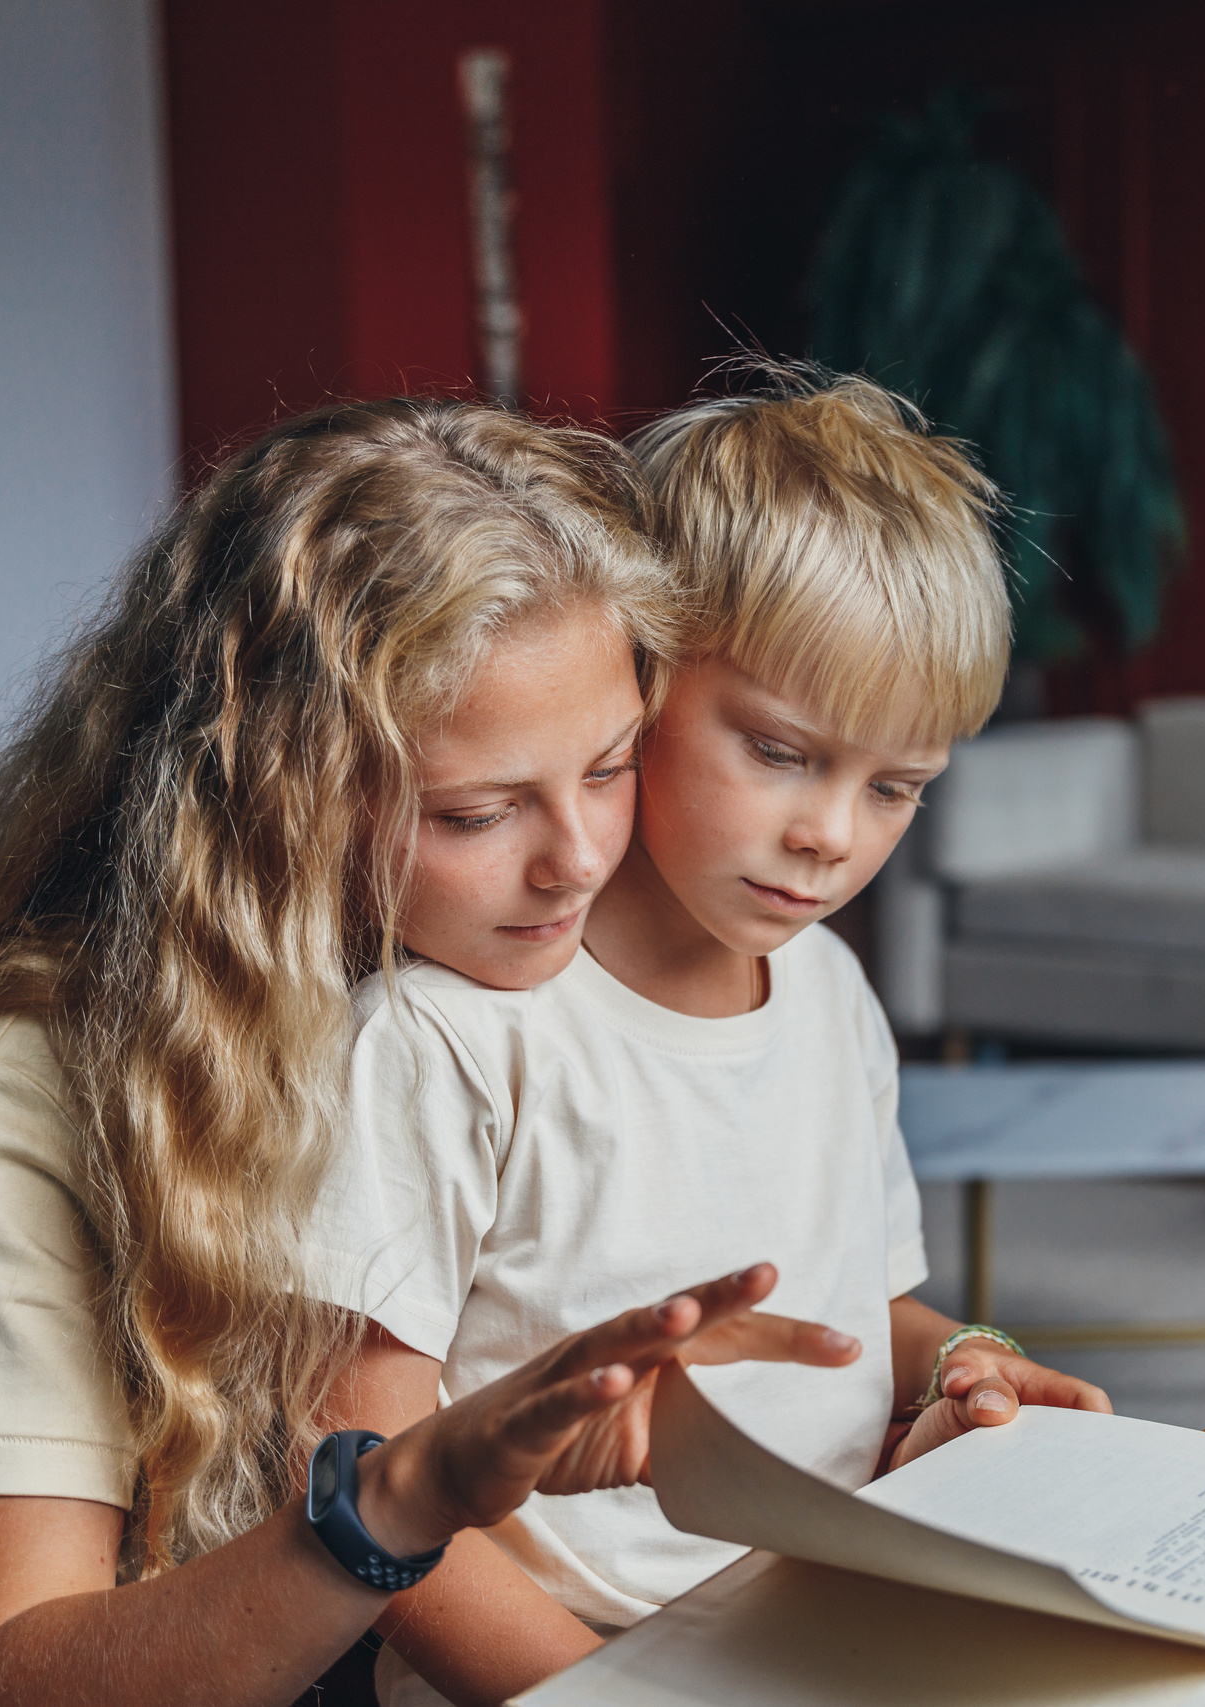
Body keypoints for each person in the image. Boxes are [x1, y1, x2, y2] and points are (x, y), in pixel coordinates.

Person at [0, 398, 860, 1707]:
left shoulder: (575, 980)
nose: (578, 859)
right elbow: (10, 1676)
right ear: (279, 798)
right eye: (477, 810)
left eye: (614, 766)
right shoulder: (14, 1096)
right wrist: (395, 1503)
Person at [308, 369, 1113, 1707]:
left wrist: (965, 1362)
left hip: (842, 1629)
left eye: (896, 786)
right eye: (782, 752)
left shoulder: (831, 994)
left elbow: (855, 1311)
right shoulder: (447, 1040)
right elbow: (359, 1458)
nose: (833, 835)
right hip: (574, 1672)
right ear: (637, 680)